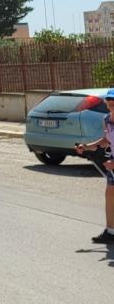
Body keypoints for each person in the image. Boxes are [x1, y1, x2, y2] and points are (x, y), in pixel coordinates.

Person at [75, 88, 114, 244]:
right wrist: (87, 146)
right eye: (109, 101)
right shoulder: (107, 119)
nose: (111, 104)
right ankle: (110, 231)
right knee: (110, 195)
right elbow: (106, 140)